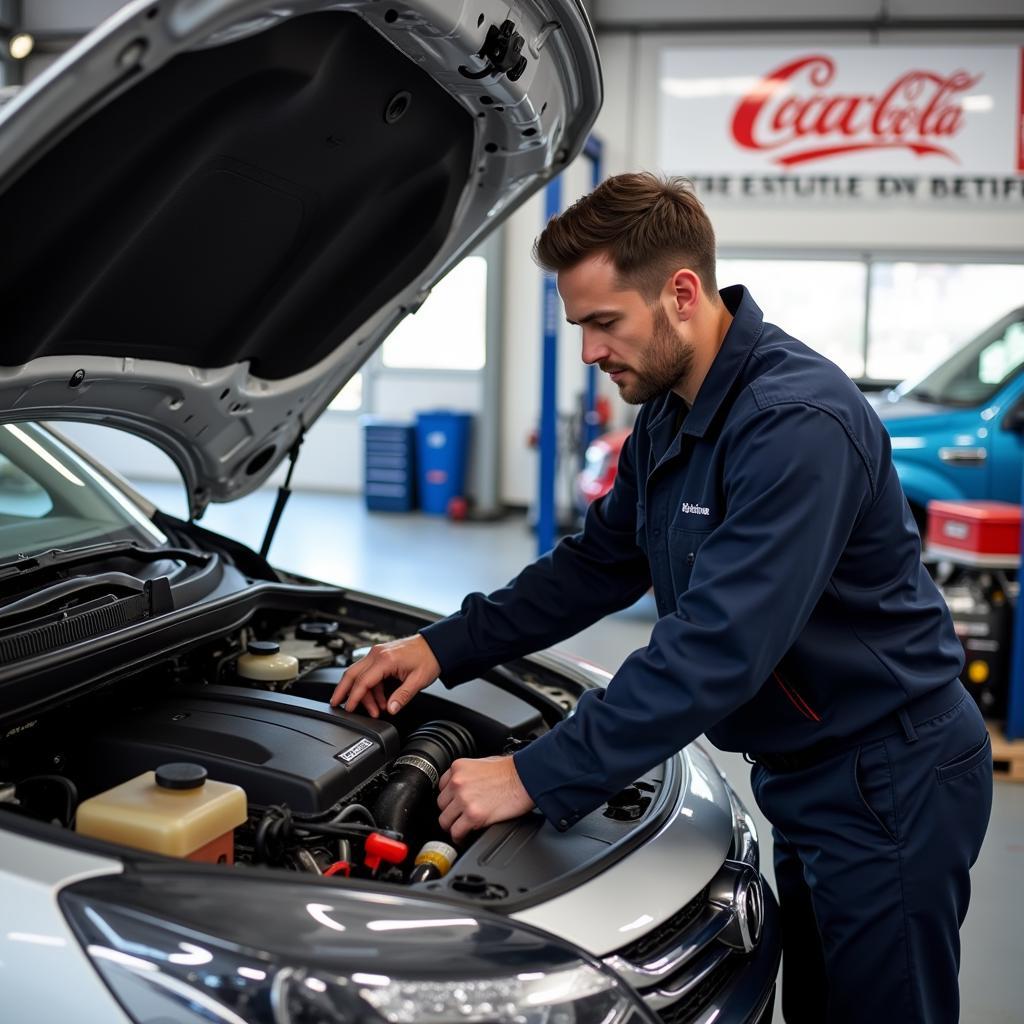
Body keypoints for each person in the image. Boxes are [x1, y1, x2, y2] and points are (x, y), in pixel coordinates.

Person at [330, 172, 992, 1024]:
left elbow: (718, 647)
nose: (589, 353)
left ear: (682, 293)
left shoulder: (796, 426)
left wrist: (536, 773)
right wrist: (441, 646)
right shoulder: (676, 411)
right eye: (580, 326)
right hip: (817, 768)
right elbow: (598, 563)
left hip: (891, 776)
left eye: (605, 323)